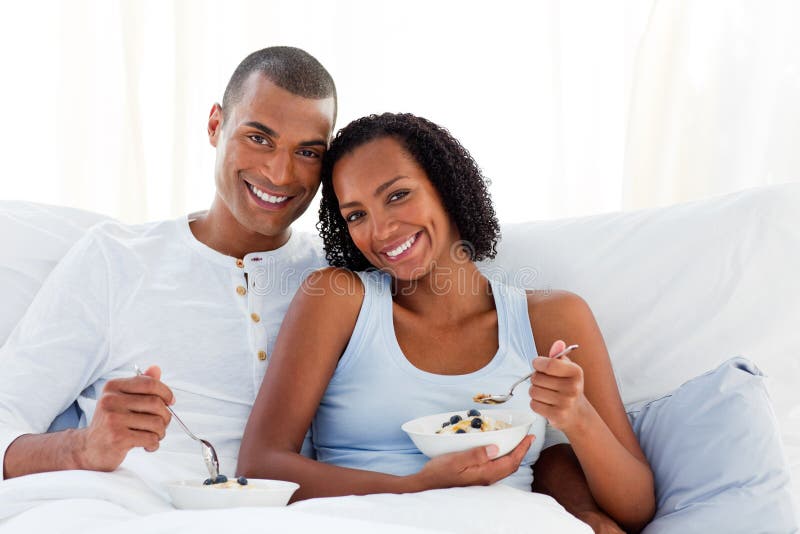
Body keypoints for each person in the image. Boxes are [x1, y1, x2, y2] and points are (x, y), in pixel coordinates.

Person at [238, 113, 656, 532]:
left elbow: (636, 508)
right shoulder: (338, 298)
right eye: (356, 215)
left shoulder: (551, 318)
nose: (381, 230)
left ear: (447, 188)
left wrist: (577, 416)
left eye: (398, 195)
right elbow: (261, 465)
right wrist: (417, 485)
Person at [0, 46, 337, 480]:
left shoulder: (337, 276)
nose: (279, 173)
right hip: (134, 513)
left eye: (307, 152)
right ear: (215, 125)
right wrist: (85, 447)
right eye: (258, 138)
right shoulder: (116, 258)